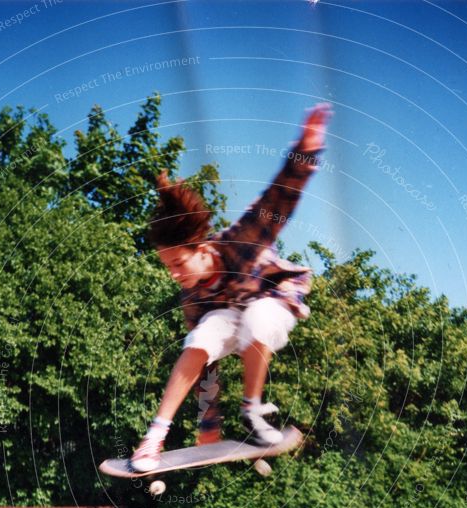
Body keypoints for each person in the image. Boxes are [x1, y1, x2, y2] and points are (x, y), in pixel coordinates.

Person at [131, 102, 332, 472]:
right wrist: (209, 422)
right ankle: (154, 436)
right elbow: (205, 366)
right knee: (200, 339)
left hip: (272, 296)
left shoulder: (239, 241)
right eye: (168, 267)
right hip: (230, 315)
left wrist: (306, 150)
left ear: (201, 248)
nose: (174, 274)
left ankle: (252, 410)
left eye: (178, 263)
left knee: (258, 318)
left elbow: (277, 199)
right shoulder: (193, 295)